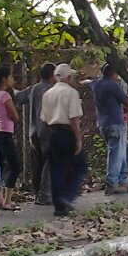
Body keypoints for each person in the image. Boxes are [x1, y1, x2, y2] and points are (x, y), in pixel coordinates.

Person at [42, 64, 88, 214]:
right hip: (67, 132)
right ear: (68, 77)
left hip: (52, 132)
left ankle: (59, 205)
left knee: (56, 168)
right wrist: (78, 139)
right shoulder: (71, 93)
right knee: (80, 165)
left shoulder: (48, 94)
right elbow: (74, 118)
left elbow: (44, 119)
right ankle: (68, 195)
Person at [14, 62, 56, 206]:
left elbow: (18, 95)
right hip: (48, 130)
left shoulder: (34, 89)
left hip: (34, 131)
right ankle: (45, 194)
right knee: (50, 161)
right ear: (52, 75)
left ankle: (38, 192)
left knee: (37, 163)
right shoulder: (54, 90)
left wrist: (8, 88)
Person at [92, 63, 128, 196]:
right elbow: (127, 102)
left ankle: (123, 180)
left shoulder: (97, 84)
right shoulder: (112, 85)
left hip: (103, 122)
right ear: (113, 74)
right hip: (115, 122)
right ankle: (112, 183)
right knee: (116, 152)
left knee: (125, 148)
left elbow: (88, 82)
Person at [0, 66, 21, 211]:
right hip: (5, 131)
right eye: (11, 77)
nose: (12, 80)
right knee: (14, 165)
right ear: (4, 79)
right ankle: (7, 200)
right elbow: (15, 116)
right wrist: (12, 117)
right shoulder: (5, 95)